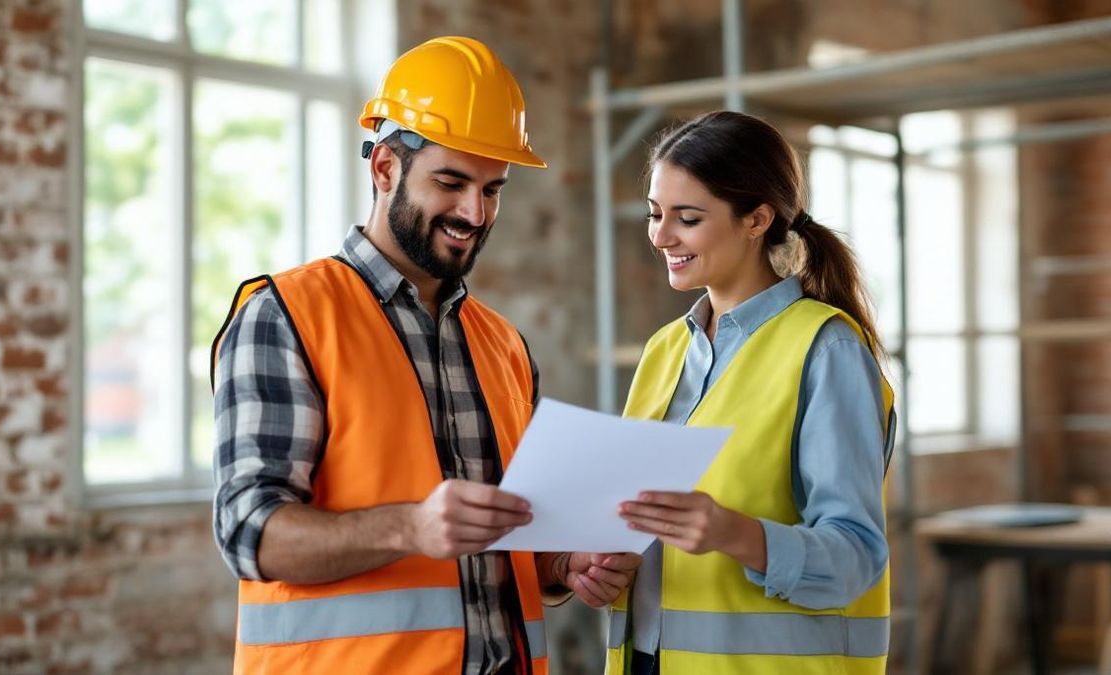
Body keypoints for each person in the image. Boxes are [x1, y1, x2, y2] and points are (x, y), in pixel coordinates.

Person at [210, 36, 639, 675]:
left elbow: (518, 540)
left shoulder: (503, 345)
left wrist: (561, 565)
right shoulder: (287, 316)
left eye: (493, 189)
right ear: (385, 168)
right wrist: (409, 529)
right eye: (450, 182)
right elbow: (250, 532)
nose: (474, 212)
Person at [610, 111, 896, 675]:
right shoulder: (664, 350)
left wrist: (732, 533)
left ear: (756, 219)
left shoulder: (826, 349)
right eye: (655, 214)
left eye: (687, 218)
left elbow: (857, 557)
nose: (661, 236)